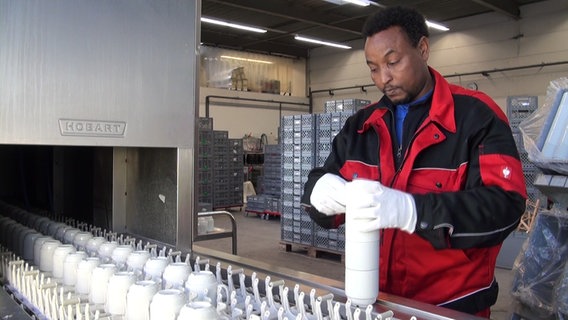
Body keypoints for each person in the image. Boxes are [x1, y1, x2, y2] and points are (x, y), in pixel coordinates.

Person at [301, 6, 527, 318]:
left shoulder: (476, 118)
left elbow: (505, 206)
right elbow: (321, 186)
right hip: (376, 304)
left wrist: (413, 212)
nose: (384, 78)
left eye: (393, 62)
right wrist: (319, 193)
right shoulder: (361, 126)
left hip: (451, 308)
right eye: (373, 68)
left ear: (422, 49)